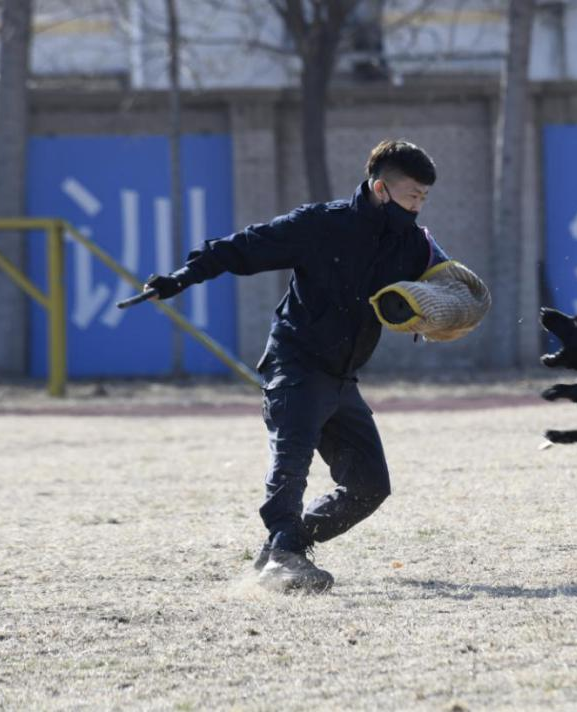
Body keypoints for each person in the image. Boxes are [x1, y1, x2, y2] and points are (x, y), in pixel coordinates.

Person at [142, 140, 453, 593]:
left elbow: (445, 287)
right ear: (382, 189)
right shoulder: (320, 225)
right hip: (297, 364)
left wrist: (437, 315)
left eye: (424, 198)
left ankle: (282, 549)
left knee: (370, 485)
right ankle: (284, 556)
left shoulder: (412, 243)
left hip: (343, 377)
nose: (418, 207)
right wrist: (182, 277)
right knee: (291, 463)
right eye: (412, 197)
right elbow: (242, 248)